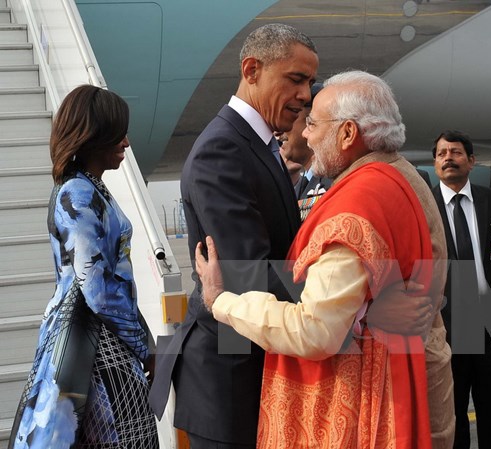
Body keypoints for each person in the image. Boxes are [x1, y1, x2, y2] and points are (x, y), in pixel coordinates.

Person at [196, 70, 451, 448]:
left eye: (313, 123)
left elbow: (315, 330)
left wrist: (221, 301)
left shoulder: (361, 201)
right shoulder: (394, 177)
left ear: (347, 134)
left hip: (378, 402)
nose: (304, 135)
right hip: (402, 388)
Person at [148, 24, 318, 448]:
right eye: (296, 79)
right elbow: (247, 274)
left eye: (310, 82)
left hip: (248, 365)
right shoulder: (222, 150)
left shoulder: (256, 145)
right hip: (230, 382)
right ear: (251, 70)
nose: (305, 95)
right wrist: (335, 297)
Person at [9, 85, 158, 448]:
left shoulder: (88, 188)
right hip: (97, 347)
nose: (126, 143)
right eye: (118, 134)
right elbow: (96, 288)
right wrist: (143, 344)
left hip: (96, 339)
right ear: (94, 136)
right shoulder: (78, 193)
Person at [431, 130, 491, 449]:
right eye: (442, 153)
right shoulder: (423, 206)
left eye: (456, 152)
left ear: (471, 161)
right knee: (452, 421)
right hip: (446, 330)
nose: (448, 158)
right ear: (434, 163)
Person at [277, 82, 332, 219]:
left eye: (289, 117)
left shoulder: (333, 181)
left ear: (312, 122)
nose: (278, 130)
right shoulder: (302, 184)